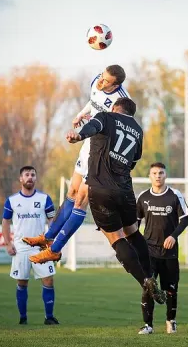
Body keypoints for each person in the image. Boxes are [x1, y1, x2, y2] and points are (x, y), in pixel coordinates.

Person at [22, 65, 130, 263]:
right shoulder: (97, 80)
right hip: (89, 145)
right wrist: (82, 114)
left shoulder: (122, 102)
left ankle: (55, 249)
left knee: (81, 199)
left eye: (106, 81)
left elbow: (121, 130)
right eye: (102, 77)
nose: (101, 81)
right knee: (72, 191)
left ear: (117, 85)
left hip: (102, 155)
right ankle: (47, 237)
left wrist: (84, 133)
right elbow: (94, 101)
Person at [66, 97, 166, 305]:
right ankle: (150, 274)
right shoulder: (138, 131)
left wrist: (78, 135)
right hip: (125, 190)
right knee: (132, 232)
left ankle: (145, 280)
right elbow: (133, 161)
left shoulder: (106, 117)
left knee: (115, 237)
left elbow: (94, 126)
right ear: (131, 113)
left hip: (101, 188)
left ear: (114, 108)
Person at [136, 162, 188, 335]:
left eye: (161, 173)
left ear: (165, 175)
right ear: (149, 176)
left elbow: (185, 220)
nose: (158, 176)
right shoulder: (143, 197)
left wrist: (173, 236)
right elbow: (135, 223)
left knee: (171, 289)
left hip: (169, 253)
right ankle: (148, 325)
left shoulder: (175, 195)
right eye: (154, 173)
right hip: (149, 252)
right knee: (148, 287)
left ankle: (170, 321)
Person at [2, 166, 59, 325]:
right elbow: (5, 222)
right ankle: (23, 318)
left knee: (48, 280)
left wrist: (52, 241)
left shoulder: (44, 199)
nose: (30, 177)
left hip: (41, 247)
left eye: (33, 175)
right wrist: (8, 243)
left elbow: (52, 220)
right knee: (22, 282)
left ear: (36, 178)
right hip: (20, 248)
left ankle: (49, 317)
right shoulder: (12, 201)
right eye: (27, 175)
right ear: (21, 179)